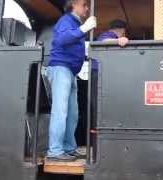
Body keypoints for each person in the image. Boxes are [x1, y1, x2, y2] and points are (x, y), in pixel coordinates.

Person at [47, 0, 96, 162]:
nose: (87, 8)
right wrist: (85, 28)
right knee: (60, 112)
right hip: (61, 68)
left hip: (70, 71)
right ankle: (55, 151)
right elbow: (63, 40)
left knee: (72, 114)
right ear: (74, 5)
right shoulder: (66, 20)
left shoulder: (73, 23)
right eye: (84, 4)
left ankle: (69, 148)